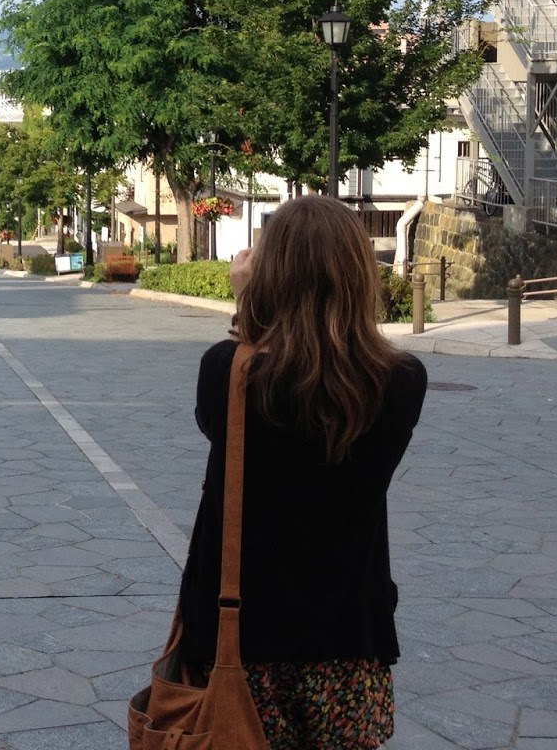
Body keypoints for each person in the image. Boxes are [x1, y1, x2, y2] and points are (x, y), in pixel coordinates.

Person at [178, 195, 427, 750]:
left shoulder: (227, 370)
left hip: (236, 637)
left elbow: (218, 417)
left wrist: (245, 305)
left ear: (268, 277)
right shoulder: (401, 381)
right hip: (347, 635)